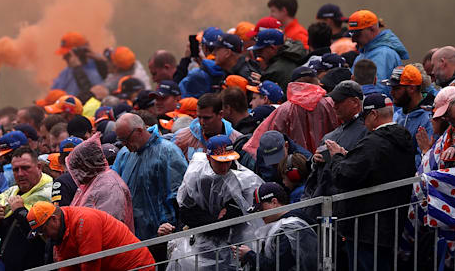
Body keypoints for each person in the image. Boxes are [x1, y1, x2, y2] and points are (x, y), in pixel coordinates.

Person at [322, 93, 418, 271]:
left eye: (365, 118)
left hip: (365, 230)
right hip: (389, 226)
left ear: (373, 115)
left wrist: (336, 157)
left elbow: (344, 176)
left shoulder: (374, 143)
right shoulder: (404, 140)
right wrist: (348, 157)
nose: (364, 123)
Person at [164, 135, 263, 271]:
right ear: (209, 158)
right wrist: (214, 219)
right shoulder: (195, 175)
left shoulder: (243, 179)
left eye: (228, 161)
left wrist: (208, 220)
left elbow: (236, 216)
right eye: (220, 162)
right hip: (202, 244)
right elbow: (185, 212)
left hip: (235, 242)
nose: (224, 166)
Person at [111, 112, 188, 240]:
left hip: (163, 233)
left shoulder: (168, 152)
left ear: (139, 131)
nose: (124, 144)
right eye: (120, 140)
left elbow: (180, 195)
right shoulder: (125, 154)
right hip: (132, 234)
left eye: (126, 139)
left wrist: (171, 224)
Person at [24, 202, 154, 271]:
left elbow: (91, 263)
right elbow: (67, 264)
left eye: (43, 230)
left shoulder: (84, 220)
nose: (44, 235)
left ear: (54, 219)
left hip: (137, 267)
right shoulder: (60, 232)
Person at [0, 145, 52, 271]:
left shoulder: (50, 192)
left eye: (26, 168)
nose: (20, 174)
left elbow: (43, 235)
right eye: (16, 170)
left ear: (39, 167)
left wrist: (20, 212)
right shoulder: (10, 193)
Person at [243, 69, 338, 159]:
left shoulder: (284, 110)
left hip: (296, 168)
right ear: (317, 82)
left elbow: (261, 141)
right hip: (329, 161)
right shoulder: (331, 103)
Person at [234, 183, 318, 271]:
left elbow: (277, 266)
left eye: (261, 209)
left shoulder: (290, 227)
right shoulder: (284, 225)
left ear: (274, 202)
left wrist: (249, 255)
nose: (259, 214)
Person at [64, 135, 133, 231]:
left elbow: (109, 224)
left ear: (85, 165)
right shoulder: (91, 183)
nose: (75, 174)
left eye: (76, 168)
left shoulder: (109, 186)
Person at [172, 92, 243, 160]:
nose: (202, 122)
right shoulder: (182, 137)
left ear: (220, 114)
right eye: (199, 117)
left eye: (207, 118)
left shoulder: (237, 141)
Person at [348, 10, 408, 83]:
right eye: (352, 36)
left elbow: (379, 88)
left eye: (357, 35)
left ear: (372, 29)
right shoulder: (364, 53)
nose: (353, 40)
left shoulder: (384, 54)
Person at [50, 32, 105, 100]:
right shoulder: (66, 72)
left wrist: (77, 69)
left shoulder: (94, 71)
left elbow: (91, 97)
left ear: (77, 53)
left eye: (67, 55)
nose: (63, 58)